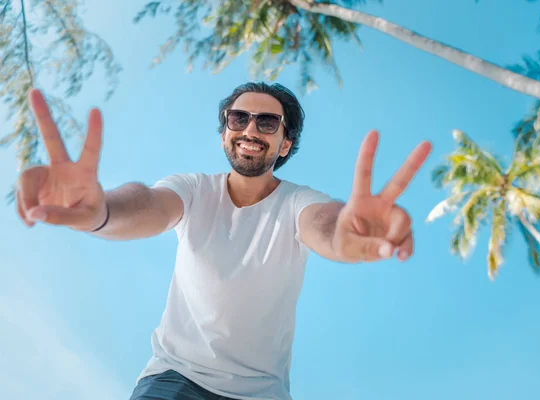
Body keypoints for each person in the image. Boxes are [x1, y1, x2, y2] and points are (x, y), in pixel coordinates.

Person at [16, 82, 432, 400]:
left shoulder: (299, 202)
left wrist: (346, 235)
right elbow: (147, 203)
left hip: (262, 393)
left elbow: (324, 225)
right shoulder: (193, 190)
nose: (251, 129)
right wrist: (100, 211)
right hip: (175, 378)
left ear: (284, 143)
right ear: (225, 133)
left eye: (267, 122)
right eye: (239, 118)